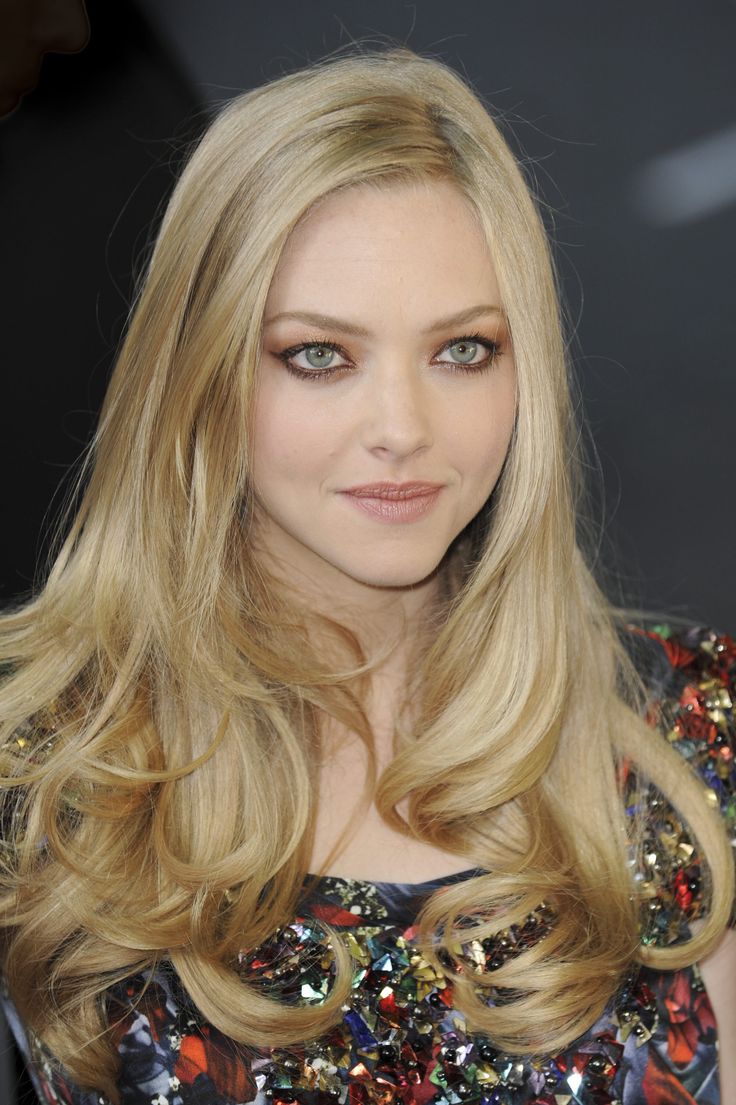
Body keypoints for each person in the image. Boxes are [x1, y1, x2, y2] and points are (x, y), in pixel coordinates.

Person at [0, 46, 734, 1105]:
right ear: (197, 372)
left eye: (463, 350)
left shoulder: (686, 737)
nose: (402, 430)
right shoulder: (41, 773)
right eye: (318, 355)